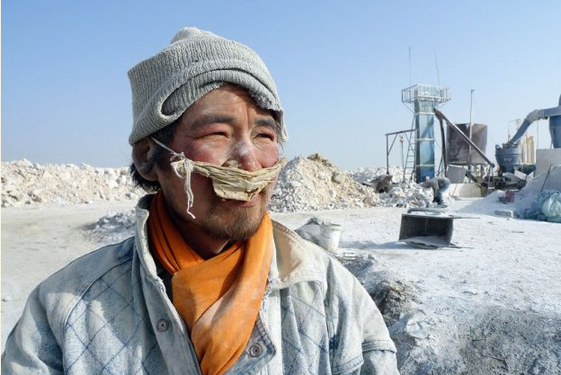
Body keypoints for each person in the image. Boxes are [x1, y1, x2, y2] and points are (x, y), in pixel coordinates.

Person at [2, 27, 399, 374]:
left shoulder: (331, 296)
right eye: (217, 133)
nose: (249, 160)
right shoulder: (63, 314)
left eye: (264, 136)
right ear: (147, 157)